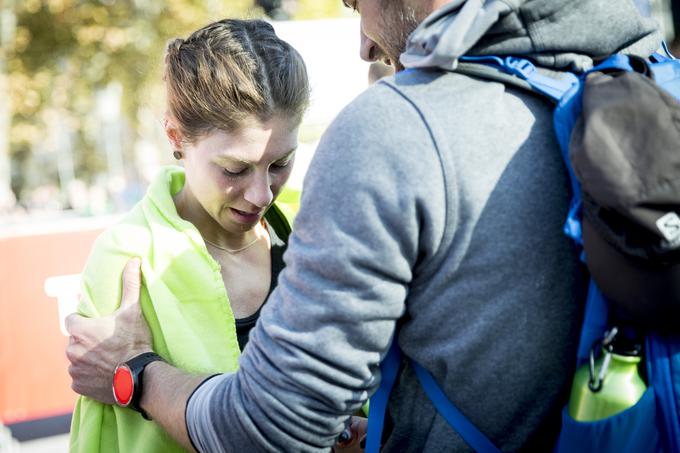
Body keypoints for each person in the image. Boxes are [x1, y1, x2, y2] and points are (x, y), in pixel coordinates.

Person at [65, 0, 661, 451]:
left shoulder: (395, 134)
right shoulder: (647, 76)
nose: (362, 44)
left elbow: (276, 425)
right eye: (234, 168)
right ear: (177, 139)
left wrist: (135, 376)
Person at [68, 18, 309, 452]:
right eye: (234, 169)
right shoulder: (124, 257)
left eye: (280, 164)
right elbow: (99, 438)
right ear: (176, 137)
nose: (262, 195)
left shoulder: (311, 230)